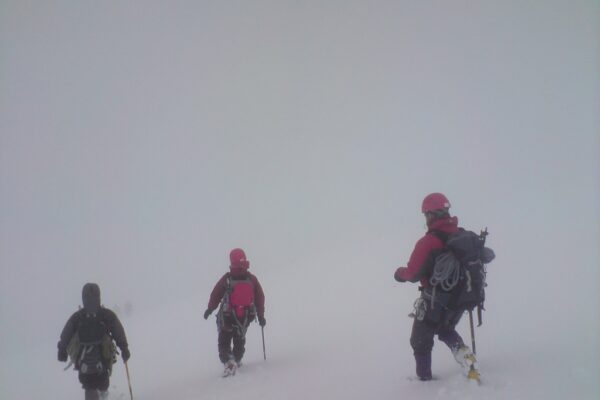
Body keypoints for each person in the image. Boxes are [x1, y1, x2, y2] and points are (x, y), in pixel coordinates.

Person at [394, 193, 479, 381]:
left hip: (435, 301)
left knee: (420, 341)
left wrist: (399, 273)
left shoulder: (429, 242)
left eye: (426, 215)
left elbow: (413, 273)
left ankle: (424, 383)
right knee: (445, 329)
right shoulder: (461, 235)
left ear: (431, 215)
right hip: (459, 300)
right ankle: (468, 360)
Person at [57, 283, 131, 400]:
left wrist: (62, 349)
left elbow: (66, 333)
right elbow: (118, 331)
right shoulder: (106, 315)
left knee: (89, 385)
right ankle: (104, 395)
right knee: (102, 382)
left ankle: (101, 395)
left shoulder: (78, 317)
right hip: (103, 358)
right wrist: (124, 348)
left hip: (84, 360)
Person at [204, 248, 266, 376]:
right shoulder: (251, 279)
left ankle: (228, 361)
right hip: (245, 317)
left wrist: (210, 309)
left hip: (227, 317)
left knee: (224, 340)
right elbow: (260, 297)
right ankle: (237, 359)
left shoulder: (227, 278)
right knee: (240, 338)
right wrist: (261, 316)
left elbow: (216, 294)